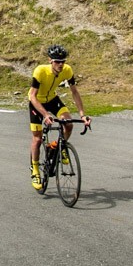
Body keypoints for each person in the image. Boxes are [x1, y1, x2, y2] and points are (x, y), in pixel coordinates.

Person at [28, 44, 91, 191]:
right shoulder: (40, 71)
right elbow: (32, 95)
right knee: (37, 139)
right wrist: (45, 114)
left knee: (68, 124)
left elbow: (75, 92)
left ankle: (58, 146)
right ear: (50, 60)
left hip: (52, 100)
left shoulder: (67, 70)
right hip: (37, 103)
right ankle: (35, 170)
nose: (61, 64)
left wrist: (82, 114)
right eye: (57, 61)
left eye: (63, 61)